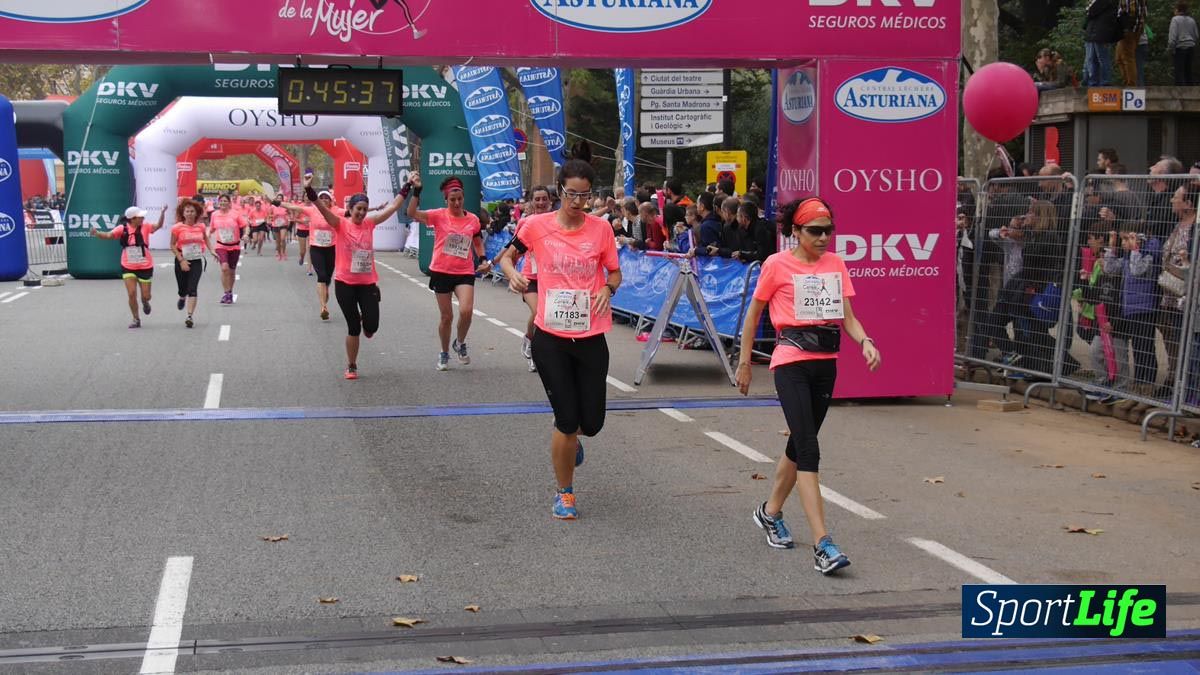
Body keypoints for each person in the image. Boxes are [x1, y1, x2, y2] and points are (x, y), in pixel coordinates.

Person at [736, 198, 880, 572]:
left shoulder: (835, 264)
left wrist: (865, 341)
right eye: (815, 231)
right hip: (790, 364)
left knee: (798, 446)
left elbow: (848, 316)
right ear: (795, 231)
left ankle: (770, 512)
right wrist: (745, 363)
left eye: (828, 230)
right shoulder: (776, 264)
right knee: (810, 449)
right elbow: (753, 316)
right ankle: (823, 544)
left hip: (825, 365)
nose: (823, 237)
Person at [498, 142, 621, 520]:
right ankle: (564, 492)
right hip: (550, 336)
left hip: (590, 335)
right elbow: (505, 256)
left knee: (592, 424)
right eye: (572, 194)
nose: (579, 202)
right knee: (566, 419)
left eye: (585, 195)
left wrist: (606, 287)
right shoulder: (536, 225)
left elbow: (614, 272)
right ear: (559, 190)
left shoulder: (601, 230)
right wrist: (514, 274)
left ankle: (573, 442)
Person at [304, 175, 405, 379]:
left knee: (372, 326)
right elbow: (322, 209)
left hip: (367, 284)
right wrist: (309, 189)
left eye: (364, 209)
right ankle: (351, 365)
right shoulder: (340, 224)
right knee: (353, 327)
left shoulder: (370, 224)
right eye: (358, 208)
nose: (361, 212)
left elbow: (394, 207)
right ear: (350, 209)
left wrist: (409, 186)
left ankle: (366, 322)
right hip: (345, 284)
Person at [406, 175, 492, 371]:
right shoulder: (438, 215)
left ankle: (460, 342)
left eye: (459, 199)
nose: (456, 202)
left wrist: (484, 259)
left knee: (466, 311)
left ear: (463, 198)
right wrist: (416, 191)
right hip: (441, 271)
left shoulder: (473, 220)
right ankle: (444, 352)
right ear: (446, 200)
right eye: (452, 199)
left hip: (464, 271)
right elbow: (411, 212)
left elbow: (477, 242)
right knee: (446, 317)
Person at [493, 185, 553, 373]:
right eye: (537, 199)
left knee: (550, 318)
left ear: (550, 201)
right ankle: (530, 343)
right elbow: (512, 249)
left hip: (551, 276)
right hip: (530, 276)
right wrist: (498, 263)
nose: (541, 202)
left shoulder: (557, 221)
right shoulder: (526, 223)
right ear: (531, 202)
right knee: (538, 312)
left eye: (544, 199)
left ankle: (542, 347)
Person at [90, 206, 167, 328]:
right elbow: (109, 235)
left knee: (146, 295)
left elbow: (158, 225)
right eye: (140, 217)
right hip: (128, 265)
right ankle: (136, 319)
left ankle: (145, 302)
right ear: (132, 219)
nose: (143, 218)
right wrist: (97, 233)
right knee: (131, 293)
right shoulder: (123, 228)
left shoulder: (146, 226)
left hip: (145, 265)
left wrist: (162, 213)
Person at [169, 198, 214, 328]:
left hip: (196, 260)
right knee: (183, 288)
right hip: (182, 259)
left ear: (196, 213)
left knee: (192, 288)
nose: (189, 213)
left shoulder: (201, 226)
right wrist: (181, 260)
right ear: (183, 213)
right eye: (187, 211)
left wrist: (212, 251)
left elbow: (205, 239)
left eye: (192, 211)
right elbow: (172, 245)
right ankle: (182, 296)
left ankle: (189, 316)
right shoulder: (177, 227)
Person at [209, 194, 250, 305]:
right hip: (221, 246)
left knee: (231, 271)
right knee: (224, 268)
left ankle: (230, 292)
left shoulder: (236, 215)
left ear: (229, 203)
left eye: (225, 201)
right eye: (221, 201)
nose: (223, 203)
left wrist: (246, 234)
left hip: (235, 246)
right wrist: (206, 235)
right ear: (218, 203)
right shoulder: (214, 215)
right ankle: (226, 293)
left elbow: (245, 226)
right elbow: (211, 228)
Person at [1084, 0, 1121, 86]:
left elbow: (1091, 11)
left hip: (1100, 33)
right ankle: (1095, 82)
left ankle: (1104, 81)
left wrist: (1089, 8)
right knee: (1093, 59)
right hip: (1095, 32)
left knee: (1101, 59)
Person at [1116, 0, 1148, 85]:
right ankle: (1127, 81)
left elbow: (1129, 11)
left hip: (1128, 29)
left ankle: (1131, 84)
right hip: (1136, 29)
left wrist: (1124, 26)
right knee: (1119, 58)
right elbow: (1144, 12)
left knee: (1127, 57)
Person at [1169, 0, 1198, 84]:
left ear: (1177, 10)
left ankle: (1179, 93)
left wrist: (1171, 48)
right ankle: (1190, 91)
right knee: (1188, 70)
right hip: (1191, 47)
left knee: (1179, 71)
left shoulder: (1175, 19)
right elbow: (1196, 35)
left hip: (1180, 47)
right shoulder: (1191, 20)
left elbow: (1172, 37)